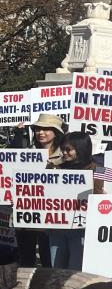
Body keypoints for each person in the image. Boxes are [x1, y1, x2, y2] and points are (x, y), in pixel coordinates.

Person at [13, 114, 64, 267]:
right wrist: (18, 134)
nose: (40, 132)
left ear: (56, 132)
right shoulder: (26, 153)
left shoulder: (65, 155)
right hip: (28, 211)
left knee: (49, 257)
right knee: (26, 257)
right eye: (37, 129)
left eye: (46, 129)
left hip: (52, 214)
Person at [49, 132, 103, 270]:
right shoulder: (55, 168)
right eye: (63, 149)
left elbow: (100, 197)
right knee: (56, 269)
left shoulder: (99, 169)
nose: (64, 153)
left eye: (69, 150)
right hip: (58, 227)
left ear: (81, 149)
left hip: (82, 229)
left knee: (76, 270)